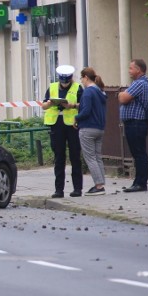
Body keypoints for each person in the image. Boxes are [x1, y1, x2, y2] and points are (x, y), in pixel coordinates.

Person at [42, 65, 83, 198]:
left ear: (70, 79)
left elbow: (83, 104)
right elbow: (44, 105)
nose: (64, 84)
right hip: (56, 125)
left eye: (67, 81)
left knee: (75, 157)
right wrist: (49, 104)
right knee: (59, 158)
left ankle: (77, 189)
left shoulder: (78, 88)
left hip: (72, 125)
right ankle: (58, 190)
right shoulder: (52, 87)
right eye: (62, 81)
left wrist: (72, 105)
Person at [118, 59, 148, 193]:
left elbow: (123, 98)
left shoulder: (140, 83)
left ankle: (141, 183)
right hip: (134, 122)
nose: (129, 71)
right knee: (137, 153)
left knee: (139, 153)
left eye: (131, 68)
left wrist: (121, 94)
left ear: (138, 70)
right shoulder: (138, 83)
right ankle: (138, 181)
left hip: (136, 122)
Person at [75, 67, 107, 196]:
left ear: (86, 77)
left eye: (81, 78)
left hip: (87, 128)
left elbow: (86, 110)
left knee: (90, 157)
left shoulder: (87, 92)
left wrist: (76, 118)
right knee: (97, 156)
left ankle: (98, 186)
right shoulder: (100, 91)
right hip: (99, 128)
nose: (81, 81)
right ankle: (101, 183)